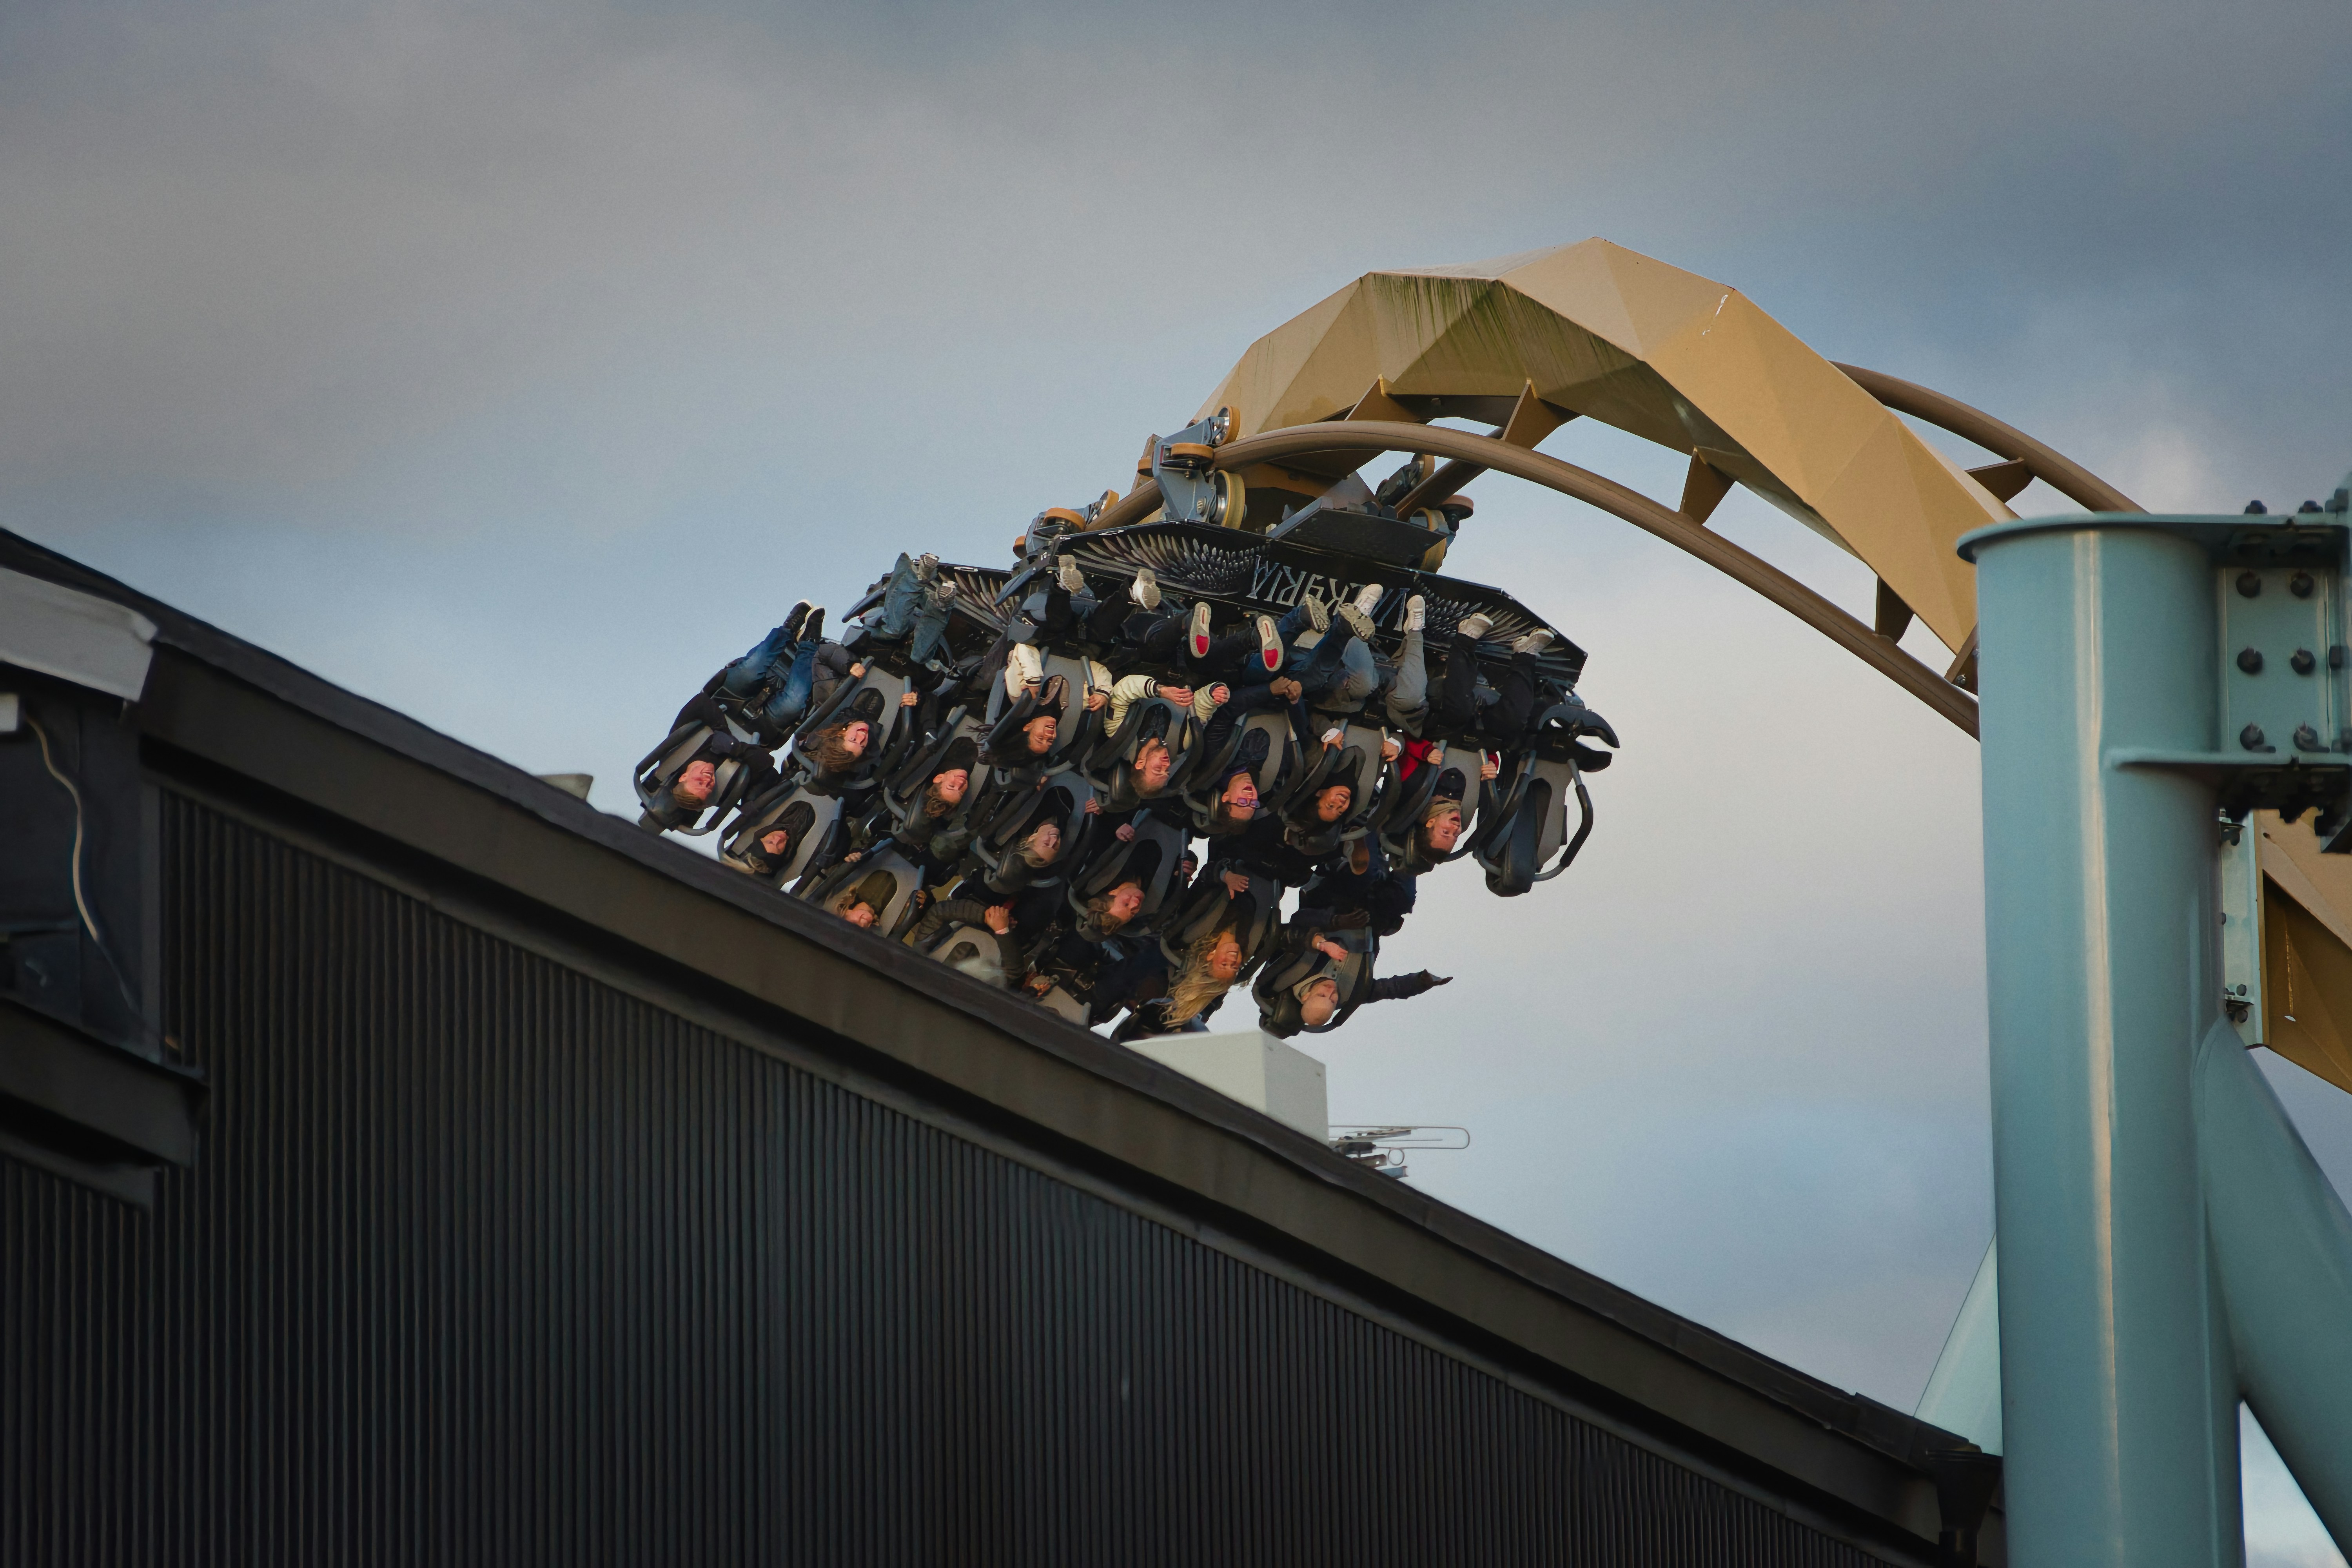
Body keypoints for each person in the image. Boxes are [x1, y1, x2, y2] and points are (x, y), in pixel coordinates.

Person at [1434, 611, 1554, 748]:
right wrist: (1493, 762)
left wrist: (1426, 751)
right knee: (1513, 721)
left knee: (1459, 708)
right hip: (1482, 742)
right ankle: (1525, 657)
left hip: (1444, 733)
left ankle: (1465, 639)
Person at [864, 552, 959, 668]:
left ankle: (921, 577)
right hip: (904, 625)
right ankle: (942, 603)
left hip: (888, 624)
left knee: (896, 631)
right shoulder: (882, 597)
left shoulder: (885, 594)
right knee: (920, 655)